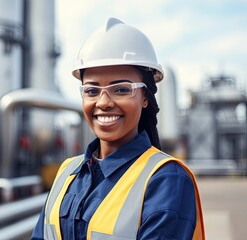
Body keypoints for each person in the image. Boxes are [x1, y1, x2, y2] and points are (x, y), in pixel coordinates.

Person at [32, 17, 205, 240]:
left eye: (121, 89)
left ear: (145, 97)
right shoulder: (67, 172)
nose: (103, 102)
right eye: (92, 90)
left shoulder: (166, 179)